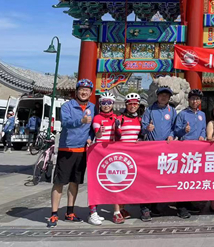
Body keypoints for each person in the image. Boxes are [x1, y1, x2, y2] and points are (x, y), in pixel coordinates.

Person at [47, 78, 95, 228]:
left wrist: (90, 137)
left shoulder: (93, 107)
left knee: (75, 182)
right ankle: (54, 213)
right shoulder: (67, 106)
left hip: (82, 150)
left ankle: (70, 212)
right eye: (81, 89)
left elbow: (93, 128)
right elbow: (66, 122)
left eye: (87, 90)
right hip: (66, 149)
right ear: (76, 91)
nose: (84, 92)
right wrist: (81, 121)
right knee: (59, 182)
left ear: (91, 93)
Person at [139, 86, 176, 222]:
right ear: (157, 96)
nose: (164, 97)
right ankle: (145, 208)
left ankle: (155, 206)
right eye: (162, 95)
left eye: (166, 95)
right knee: (148, 179)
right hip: (150, 149)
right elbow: (142, 128)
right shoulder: (149, 110)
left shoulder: (172, 111)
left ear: (169, 97)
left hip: (165, 150)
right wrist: (147, 128)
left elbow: (174, 128)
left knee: (160, 179)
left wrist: (172, 135)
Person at [88, 92, 120, 226]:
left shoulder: (116, 117)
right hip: (99, 153)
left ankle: (117, 211)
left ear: (113, 104)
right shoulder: (97, 118)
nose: (106, 105)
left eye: (109, 103)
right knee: (95, 183)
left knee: (115, 182)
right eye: (103, 103)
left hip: (112, 153)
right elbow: (98, 134)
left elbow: (119, 135)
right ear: (100, 104)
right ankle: (92, 212)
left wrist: (118, 128)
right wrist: (100, 132)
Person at [174, 89, 206, 219]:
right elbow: (176, 131)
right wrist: (184, 130)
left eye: (197, 99)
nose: (195, 101)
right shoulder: (182, 114)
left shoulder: (202, 114)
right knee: (183, 179)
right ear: (188, 100)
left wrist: (202, 136)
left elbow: (203, 129)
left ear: (200, 101)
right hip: (185, 151)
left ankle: (189, 202)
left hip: (198, 151)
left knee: (192, 179)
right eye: (193, 99)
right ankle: (181, 206)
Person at [113, 92, 143, 223]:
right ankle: (116, 212)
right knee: (118, 182)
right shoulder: (120, 118)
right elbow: (115, 135)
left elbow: (139, 135)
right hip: (121, 153)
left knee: (127, 182)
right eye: (130, 104)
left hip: (133, 154)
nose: (133, 106)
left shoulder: (139, 119)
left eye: (135, 104)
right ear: (126, 105)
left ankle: (122, 208)